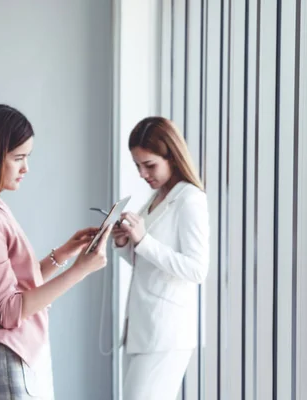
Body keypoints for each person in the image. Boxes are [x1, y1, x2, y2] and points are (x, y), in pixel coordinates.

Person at [0, 104, 111, 399]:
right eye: (19, 158)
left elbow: (15, 286)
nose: (26, 168)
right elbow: (9, 310)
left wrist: (64, 254)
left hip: (15, 355)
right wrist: (81, 269)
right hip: (6, 358)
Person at [112, 116, 210, 400]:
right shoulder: (156, 198)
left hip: (166, 333)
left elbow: (196, 269)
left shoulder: (190, 199)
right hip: (141, 328)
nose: (143, 174)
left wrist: (143, 240)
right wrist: (124, 244)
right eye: (138, 166)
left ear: (173, 157)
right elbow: (148, 264)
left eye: (149, 165)